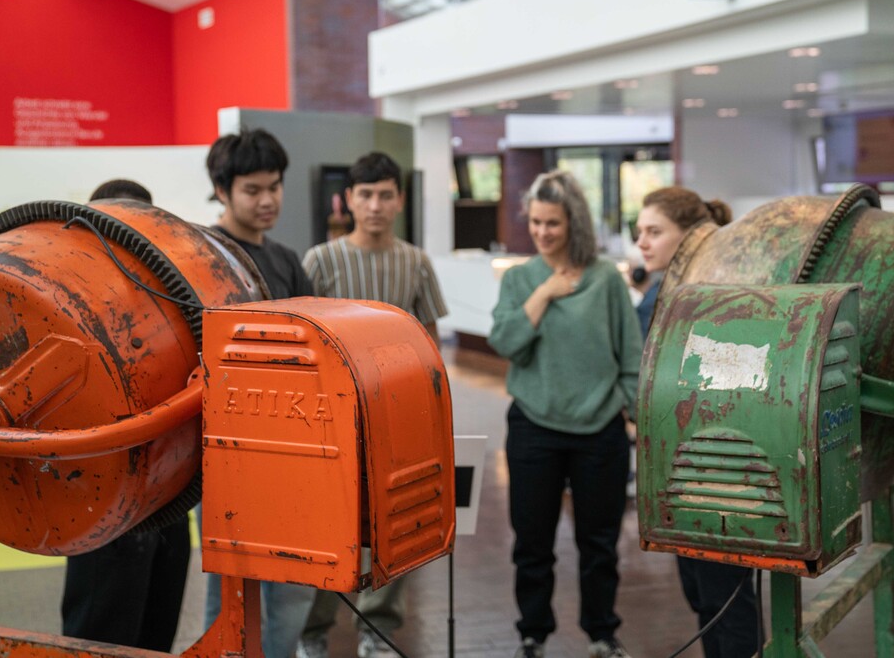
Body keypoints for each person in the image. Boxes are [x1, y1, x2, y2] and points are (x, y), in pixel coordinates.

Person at [297, 151, 449, 658]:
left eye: (386, 195)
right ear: (350, 201)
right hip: (332, 420)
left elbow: (428, 339)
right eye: (366, 195)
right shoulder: (321, 260)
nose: (376, 206)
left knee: (395, 522)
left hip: (395, 418)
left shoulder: (415, 261)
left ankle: (378, 630)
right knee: (327, 526)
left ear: (400, 200)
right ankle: (313, 631)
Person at [487, 170, 642, 658]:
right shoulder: (519, 280)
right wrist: (544, 294)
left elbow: (631, 356)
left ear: (573, 222)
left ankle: (601, 633)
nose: (542, 232)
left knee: (600, 544)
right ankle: (532, 633)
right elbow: (506, 342)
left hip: (601, 430)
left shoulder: (605, 281)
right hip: (534, 428)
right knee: (532, 544)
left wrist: (631, 411)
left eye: (552, 223)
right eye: (535, 222)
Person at [61, 179, 191, 651]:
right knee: (100, 632)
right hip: (101, 496)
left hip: (166, 497)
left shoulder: (170, 296)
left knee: (157, 632)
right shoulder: (70, 301)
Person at [203, 128, 317, 658]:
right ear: (222, 190)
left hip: (291, 449)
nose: (268, 199)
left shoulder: (289, 261)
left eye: (275, 186)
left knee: (294, 589)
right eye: (253, 189)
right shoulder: (198, 258)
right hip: (226, 455)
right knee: (227, 593)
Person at [634, 186, 760, 658]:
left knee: (726, 595)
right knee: (705, 595)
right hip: (680, 463)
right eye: (639, 232)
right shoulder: (663, 294)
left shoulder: (704, 298)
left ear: (689, 237)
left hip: (712, 463)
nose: (642, 243)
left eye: (655, 232)